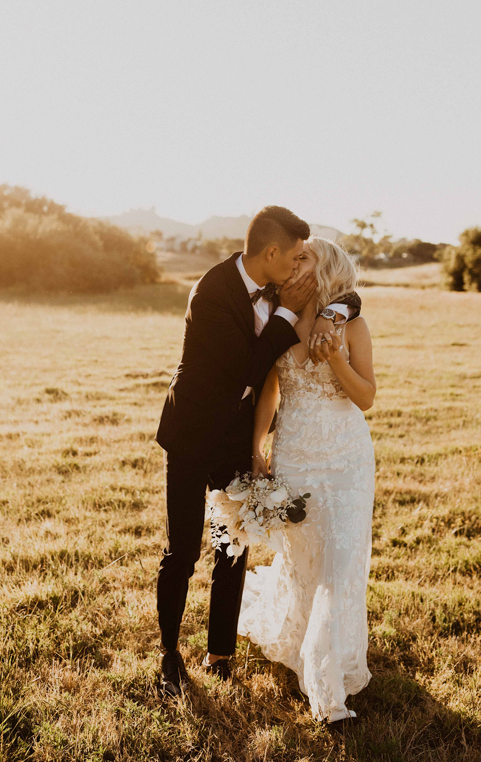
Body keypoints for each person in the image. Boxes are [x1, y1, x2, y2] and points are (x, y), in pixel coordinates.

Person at [155, 207, 361, 698]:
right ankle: (168, 654)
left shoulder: (291, 286)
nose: (298, 267)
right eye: (294, 257)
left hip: (236, 439)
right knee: (182, 551)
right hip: (190, 435)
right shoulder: (211, 292)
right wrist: (289, 313)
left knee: (235, 545)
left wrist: (332, 311)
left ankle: (220, 654)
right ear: (272, 253)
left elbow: (349, 293)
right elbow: (243, 370)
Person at [238, 237, 376, 726]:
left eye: (304, 258)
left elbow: (367, 398)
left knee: (340, 566)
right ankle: (297, 641)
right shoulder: (278, 319)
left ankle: (327, 685)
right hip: (296, 451)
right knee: (305, 562)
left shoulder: (352, 324)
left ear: (326, 269)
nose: (293, 264)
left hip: (347, 459)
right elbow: (269, 395)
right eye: (292, 258)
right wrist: (258, 449)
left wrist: (336, 356)